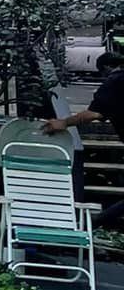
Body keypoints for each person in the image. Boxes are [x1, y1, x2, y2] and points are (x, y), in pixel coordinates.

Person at [44, 49, 124, 230]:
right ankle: (99, 220)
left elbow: (94, 113)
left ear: (106, 68)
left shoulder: (114, 82)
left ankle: (97, 221)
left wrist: (64, 122)